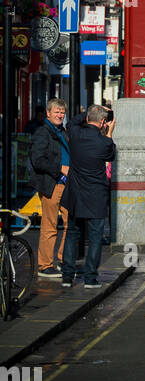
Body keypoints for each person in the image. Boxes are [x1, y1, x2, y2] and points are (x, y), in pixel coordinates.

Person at [60, 105, 116, 289]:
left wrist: (90, 112)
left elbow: (73, 121)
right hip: (96, 196)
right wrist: (109, 132)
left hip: (75, 194)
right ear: (103, 122)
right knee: (94, 238)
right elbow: (111, 154)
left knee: (72, 234)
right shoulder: (105, 142)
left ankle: (67, 277)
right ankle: (90, 278)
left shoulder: (75, 134)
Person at [30, 97, 69, 278]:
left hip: (67, 185)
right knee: (50, 225)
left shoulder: (64, 131)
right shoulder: (42, 132)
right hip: (52, 184)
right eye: (56, 112)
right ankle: (45, 265)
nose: (60, 115)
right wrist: (59, 168)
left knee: (72, 224)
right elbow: (37, 160)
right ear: (48, 113)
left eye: (62, 112)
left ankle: (62, 259)